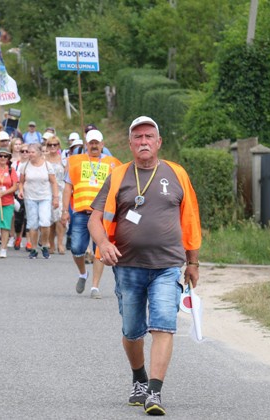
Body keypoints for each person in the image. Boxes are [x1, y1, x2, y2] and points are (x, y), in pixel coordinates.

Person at [88, 116, 201, 415]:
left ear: (159, 142)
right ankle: (139, 377)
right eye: (137, 137)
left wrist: (193, 261)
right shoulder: (118, 176)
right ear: (130, 144)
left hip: (168, 265)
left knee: (164, 324)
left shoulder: (177, 174)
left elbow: (190, 219)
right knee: (132, 331)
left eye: (149, 136)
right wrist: (104, 244)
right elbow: (94, 219)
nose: (143, 142)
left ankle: (154, 391)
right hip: (127, 266)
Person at [61, 129, 121, 299]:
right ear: (86, 145)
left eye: (97, 142)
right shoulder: (75, 161)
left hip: (102, 215)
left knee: (99, 251)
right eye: (91, 143)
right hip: (80, 213)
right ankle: (83, 274)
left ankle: (95, 286)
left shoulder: (113, 163)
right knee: (77, 249)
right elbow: (67, 188)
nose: (94, 145)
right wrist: (65, 211)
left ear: (102, 144)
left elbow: (120, 187)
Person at [18, 143, 59, 259]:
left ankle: (45, 244)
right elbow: (21, 182)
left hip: (45, 197)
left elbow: (53, 182)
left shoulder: (47, 165)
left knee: (45, 222)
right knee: (33, 224)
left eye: (32, 152)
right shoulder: (24, 166)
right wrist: (21, 190)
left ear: (39, 153)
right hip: (30, 197)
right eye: (28, 152)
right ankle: (34, 248)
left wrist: (56, 198)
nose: (29, 154)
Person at [45, 136, 67, 254]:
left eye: (55, 144)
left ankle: (60, 243)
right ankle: (51, 243)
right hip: (47, 191)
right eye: (50, 145)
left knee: (59, 218)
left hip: (61, 190)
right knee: (50, 220)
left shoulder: (63, 160)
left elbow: (68, 175)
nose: (52, 147)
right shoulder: (44, 159)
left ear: (58, 146)